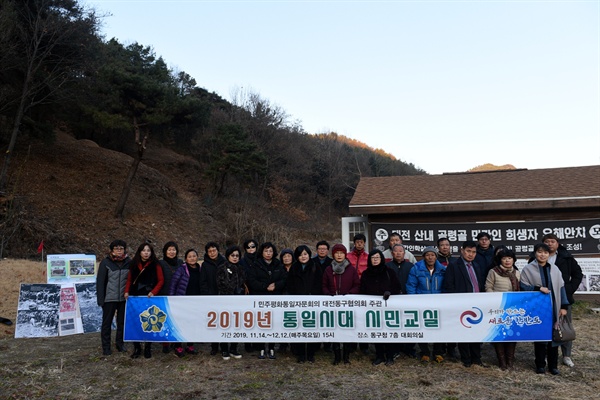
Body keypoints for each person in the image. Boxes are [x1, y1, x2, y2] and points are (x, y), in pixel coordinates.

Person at [520, 243, 569, 375]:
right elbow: (523, 286)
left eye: (545, 252)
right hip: (538, 308)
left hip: (554, 307)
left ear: (549, 254)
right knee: (540, 337)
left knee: (553, 337)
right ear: (535, 253)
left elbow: (561, 288)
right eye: (540, 252)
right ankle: (540, 364)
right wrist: (538, 288)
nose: (543, 255)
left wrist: (564, 306)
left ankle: (553, 366)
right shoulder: (528, 269)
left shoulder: (555, 269)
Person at [443, 240, 486, 368]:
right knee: (464, 332)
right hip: (461, 304)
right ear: (462, 251)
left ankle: (476, 359)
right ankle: (466, 359)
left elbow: (479, 284)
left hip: (477, 304)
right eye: (468, 251)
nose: (471, 254)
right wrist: (456, 302)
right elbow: (448, 285)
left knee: (477, 332)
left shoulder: (476, 265)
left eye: (473, 252)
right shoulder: (454, 265)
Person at [542, 233, 583, 368]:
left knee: (564, 325)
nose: (549, 244)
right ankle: (548, 355)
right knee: (547, 326)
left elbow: (578, 274)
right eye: (547, 241)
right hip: (544, 298)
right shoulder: (537, 257)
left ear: (557, 243)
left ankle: (566, 355)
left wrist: (568, 289)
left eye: (552, 241)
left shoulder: (566, 257)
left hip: (563, 296)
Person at [360, 249, 401, 366]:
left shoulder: (390, 272)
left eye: (377, 257)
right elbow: (362, 291)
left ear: (382, 258)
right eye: (373, 257)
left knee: (388, 332)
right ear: (370, 260)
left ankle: (390, 356)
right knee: (377, 333)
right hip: (373, 308)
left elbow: (397, 287)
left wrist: (390, 292)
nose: (375, 259)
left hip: (388, 307)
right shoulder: (366, 274)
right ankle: (379, 356)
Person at [246, 241, 287, 360]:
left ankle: (272, 347)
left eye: (270, 251)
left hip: (275, 298)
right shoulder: (255, 264)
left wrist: (276, 285)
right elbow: (252, 281)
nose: (268, 253)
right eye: (266, 251)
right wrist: (265, 286)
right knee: (261, 323)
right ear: (262, 252)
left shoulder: (278, 264)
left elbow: (284, 279)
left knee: (273, 323)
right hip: (260, 298)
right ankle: (261, 348)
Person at [406, 246, 446, 363]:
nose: (430, 257)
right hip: (421, 303)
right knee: (422, 327)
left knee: (440, 328)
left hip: (439, 303)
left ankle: (438, 352)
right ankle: (425, 352)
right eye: (428, 255)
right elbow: (411, 286)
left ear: (436, 257)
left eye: (432, 255)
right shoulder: (416, 269)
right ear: (424, 257)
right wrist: (413, 301)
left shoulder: (442, 269)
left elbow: (446, 286)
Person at [124, 242, 164, 359]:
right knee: (135, 321)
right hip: (135, 297)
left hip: (148, 297)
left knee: (149, 322)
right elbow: (129, 280)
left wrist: (153, 292)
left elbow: (161, 280)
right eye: (144, 250)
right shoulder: (133, 264)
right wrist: (126, 291)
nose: (146, 253)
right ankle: (137, 347)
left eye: (148, 250)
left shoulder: (156, 264)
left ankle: (148, 346)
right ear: (140, 252)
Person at [322, 243, 360, 364]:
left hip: (347, 304)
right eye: (337, 253)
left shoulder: (351, 269)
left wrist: (349, 294)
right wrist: (329, 295)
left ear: (345, 254)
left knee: (347, 330)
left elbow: (357, 285)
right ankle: (337, 356)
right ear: (333, 255)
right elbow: (324, 285)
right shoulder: (328, 269)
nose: (339, 255)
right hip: (332, 304)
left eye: (341, 253)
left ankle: (346, 356)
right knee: (335, 330)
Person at [286, 245, 323, 363]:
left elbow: (319, 284)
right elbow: (290, 284)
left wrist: (313, 295)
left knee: (311, 328)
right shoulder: (294, 268)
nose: (303, 257)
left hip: (312, 302)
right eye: (301, 255)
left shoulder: (315, 266)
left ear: (309, 254)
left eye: (305, 254)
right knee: (299, 328)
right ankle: (301, 354)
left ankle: (311, 354)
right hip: (297, 303)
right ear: (297, 256)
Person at [485, 248, 520, 370]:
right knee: (499, 334)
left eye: (510, 258)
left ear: (513, 260)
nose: (507, 261)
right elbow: (488, 287)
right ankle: (502, 362)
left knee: (512, 334)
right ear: (500, 260)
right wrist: (496, 300)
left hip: (513, 309)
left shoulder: (516, 272)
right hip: (498, 308)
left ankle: (510, 361)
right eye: (504, 258)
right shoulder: (493, 272)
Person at [96, 239, 131, 356]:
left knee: (121, 322)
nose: (119, 251)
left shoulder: (129, 262)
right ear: (112, 250)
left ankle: (120, 344)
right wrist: (101, 300)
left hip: (123, 298)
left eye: (121, 248)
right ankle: (106, 347)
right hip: (109, 299)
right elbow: (100, 282)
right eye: (116, 248)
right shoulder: (105, 263)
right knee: (107, 323)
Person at [169, 249, 202, 357]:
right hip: (182, 300)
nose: (192, 258)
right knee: (180, 323)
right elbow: (173, 284)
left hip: (195, 301)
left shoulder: (200, 269)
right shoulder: (182, 270)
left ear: (197, 257)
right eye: (189, 256)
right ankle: (178, 345)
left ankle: (190, 345)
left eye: (194, 256)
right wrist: (172, 298)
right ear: (186, 259)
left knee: (192, 323)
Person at [216, 245, 246, 360]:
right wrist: (233, 290)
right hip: (225, 300)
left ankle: (234, 348)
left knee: (236, 325)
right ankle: (224, 349)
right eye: (232, 255)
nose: (235, 257)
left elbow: (244, 281)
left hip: (239, 301)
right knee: (224, 325)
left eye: (237, 255)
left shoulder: (241, 268)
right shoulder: (222, 267)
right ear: (228, 256)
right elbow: (220, 283)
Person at [200, 241, 227, 355]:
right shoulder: (205, 265)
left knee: (224, 322)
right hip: (211, 296)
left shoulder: (225, 262)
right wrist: (206, 295)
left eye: (214, 250)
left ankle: (224, 346)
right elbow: (203, 282)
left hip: (224, 296)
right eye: (209, 251)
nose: (212, 253)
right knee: (213, 322)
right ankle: (214, 346)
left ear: (218, 250)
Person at [158, 241, 183, 353]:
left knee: (177, 319)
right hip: (164, 295)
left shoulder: (181, 262)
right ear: (165, 251)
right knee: (166, 320)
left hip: (178, 296)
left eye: (174, 249)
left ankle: (177, 342)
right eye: (169, 250)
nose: (172, 252)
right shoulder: (161, 263)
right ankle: (165, 343)